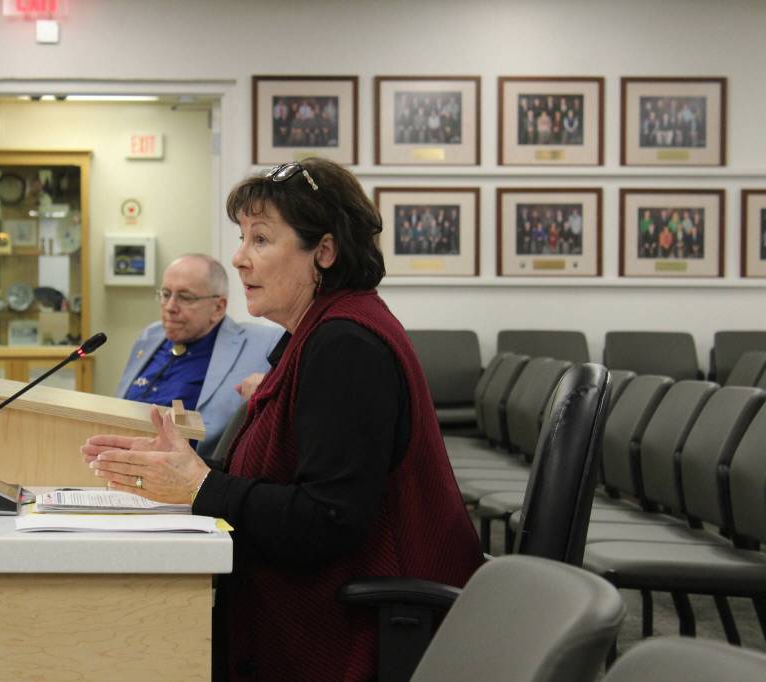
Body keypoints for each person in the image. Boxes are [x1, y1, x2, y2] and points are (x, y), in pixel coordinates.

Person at [85, 158, 483, 681]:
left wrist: (201, 485)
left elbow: (327, 520)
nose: (240, 258)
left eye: (261, 240)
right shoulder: (321, 332)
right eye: (243, 238)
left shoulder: (346, 344)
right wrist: (182, 471)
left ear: (324, 251)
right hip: (311, 607)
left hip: (346, 634)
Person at [115, 254, 282, 458]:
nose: (170, 307)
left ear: (218, 308)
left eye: (185, 297)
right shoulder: (151, 335)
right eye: (166, 294)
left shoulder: (264, 344)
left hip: (193, 474)